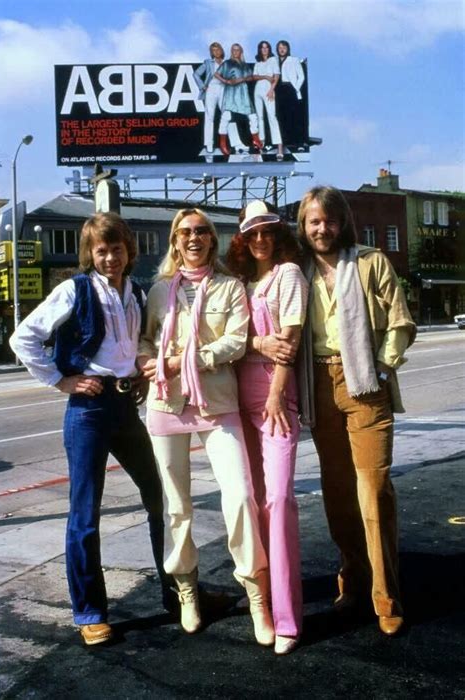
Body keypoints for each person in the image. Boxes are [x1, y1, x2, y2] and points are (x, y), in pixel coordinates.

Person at [9, 212, 173, 647]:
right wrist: (61, 380)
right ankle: (90, 613)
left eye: (116, 248)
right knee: (85, 514)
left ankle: (176, 592)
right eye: (100, 250)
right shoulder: (74, 290)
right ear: (90, 254)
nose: (109, 257)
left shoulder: (136, 291)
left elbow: (132, 346)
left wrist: (137, 373)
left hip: (125, 407)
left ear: (128, 250)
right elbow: (23, 337)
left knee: (160, 496)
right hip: (88, 410)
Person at [137, 208, 274, 645]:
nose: (193, 238)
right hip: (166, 404)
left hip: (216, 403)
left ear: (212, 240)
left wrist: (187, 360)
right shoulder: (159, 291)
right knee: (176, 506)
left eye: (201, 231)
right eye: (185, 232)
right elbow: (145, 337)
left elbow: (236, 341)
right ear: (174, 242)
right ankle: (187, 592)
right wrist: (146, 358)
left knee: (240, 497)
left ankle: (256, 595)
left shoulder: (231, 286)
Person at [296, 186, 416, 636]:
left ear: (341, 221)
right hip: (319, 387)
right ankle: (353, 573)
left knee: (374, 490)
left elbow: (401, 321)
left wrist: (381, 370)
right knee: (338, 492)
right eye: (312, 221)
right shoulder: (296, 269)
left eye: (327, 220)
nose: (321, 228)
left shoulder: (370, 261)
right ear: (303, 225)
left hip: (365, 385)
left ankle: (387, 595)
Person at [226, 200, 307, 654]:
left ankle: (288, 619)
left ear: (278, 235)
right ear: (243, 237)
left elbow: (289, 344)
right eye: (252, 232)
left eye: (268, 231)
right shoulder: (240, 284)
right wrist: (256, 340)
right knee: (252, 502)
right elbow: (237, 341)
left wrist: (277, 394)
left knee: (279, 499)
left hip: (276, 400)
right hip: (239, 401)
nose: (260, 239)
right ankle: (262, 601)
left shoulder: (289, 275)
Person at [214, 43, 263, 156]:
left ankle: (255, 139)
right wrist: (227, 81)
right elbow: (216, 74)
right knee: (226, 117)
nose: (235, 52)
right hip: (231, 92)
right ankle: (223, 143)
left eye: (237, 50)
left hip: (243, 92)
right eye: (233, 50)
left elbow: (251, 77)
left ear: (241, 51)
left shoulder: (244, 65)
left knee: (252, 116)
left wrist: (243, 79)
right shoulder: (227, 63)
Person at [193, 42, 241, 155]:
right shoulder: (208, 62)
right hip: (211, 89)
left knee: (228, 115)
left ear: (221, 50)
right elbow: (196, 74)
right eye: (213, 50)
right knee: (210, 117)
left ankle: (235, 142)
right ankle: (209, 144)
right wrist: (202, 86)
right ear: (211, 52)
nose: (216, 52)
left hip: (224, 89)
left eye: (218, 49)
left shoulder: (227, 63)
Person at [252, 41, 284, 160]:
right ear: (260, 49)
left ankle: (279, 147)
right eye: (262, 47)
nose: (264, 49)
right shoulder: (258, 63)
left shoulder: (273, 60)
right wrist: (265, 76)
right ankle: (261, 146)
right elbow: (254, 77)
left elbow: (276, 76)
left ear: (269, 49)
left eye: (266, 47)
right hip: (258, 90)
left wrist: (271, 90)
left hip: (268, 89)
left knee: (272, 116)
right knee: (259, 118)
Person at [275, 40, 306, 151]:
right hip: (278, 90)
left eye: (284, 47)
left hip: (290, 88)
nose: (282, 49)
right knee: (281, 116)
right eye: (279, 47)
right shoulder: (274, 61)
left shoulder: (294, 60)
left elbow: (301, 76)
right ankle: (284, 142)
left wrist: (295, 88)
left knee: (294, 117)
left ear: (288, 49)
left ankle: (299, 142)